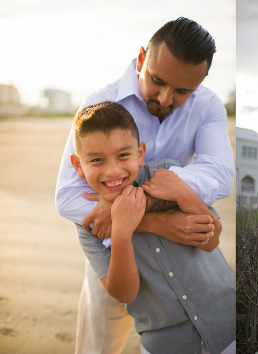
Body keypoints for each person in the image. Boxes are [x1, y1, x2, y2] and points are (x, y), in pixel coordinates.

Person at [55, 17, 234, 353]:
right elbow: (66, 197)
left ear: (202, 81)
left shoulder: (208, 105)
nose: (165, 98)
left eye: (183, 91)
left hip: (183, 252)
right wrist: (155, 221)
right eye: (157, 80)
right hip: (112, 249)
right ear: (141, 59)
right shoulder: (98, 105)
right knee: (98, 345)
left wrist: (172, 188)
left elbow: (220, 175)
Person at [69, 101, 234, 354]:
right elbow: (125, 293)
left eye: (123, 155)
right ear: (78, 165)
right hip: (164, 342)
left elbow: (212, 240)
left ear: (140, 153)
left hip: (227, 322)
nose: (113, 170)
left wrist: (183, 193)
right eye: (97, 160)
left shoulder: (167, 173)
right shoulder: (91, 225)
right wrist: (122, 232)